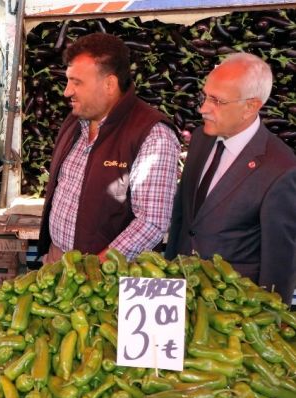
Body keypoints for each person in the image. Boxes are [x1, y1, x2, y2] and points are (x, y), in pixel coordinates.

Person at [37, 33, 180, 263]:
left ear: (109, 84)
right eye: (68, 80)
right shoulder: (75, 120)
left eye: (77, 82)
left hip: (108, 276)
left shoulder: (153, 134)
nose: (66, 92)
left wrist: (96, 267)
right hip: (57, 259)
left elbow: (151, 222)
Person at [166, 53, 296, 303]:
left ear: (251, 106)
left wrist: (268, 317)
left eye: (217, 101)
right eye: (205, 96)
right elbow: (183, 216)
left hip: (232, 306)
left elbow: (280, 260)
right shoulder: (201, 140)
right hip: (182, 291)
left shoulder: (280, 169)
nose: (204, 108)